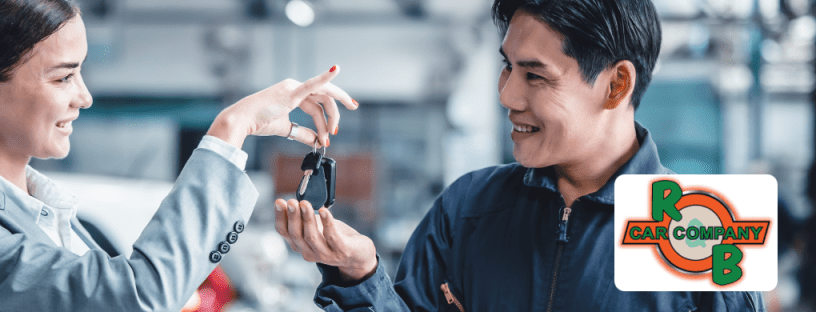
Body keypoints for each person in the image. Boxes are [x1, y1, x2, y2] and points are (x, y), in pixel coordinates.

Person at [274, 0, 765, 310]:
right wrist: (360, 276)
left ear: (616, 85)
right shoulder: (468, 208)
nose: (507, 95)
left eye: (535, 75)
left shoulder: (705, 230)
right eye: (507, 68)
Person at [0, 0, 358, 311]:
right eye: (62, 78)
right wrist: (229, 131)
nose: (84, 97)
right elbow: (139, 298)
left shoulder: (51, 216)